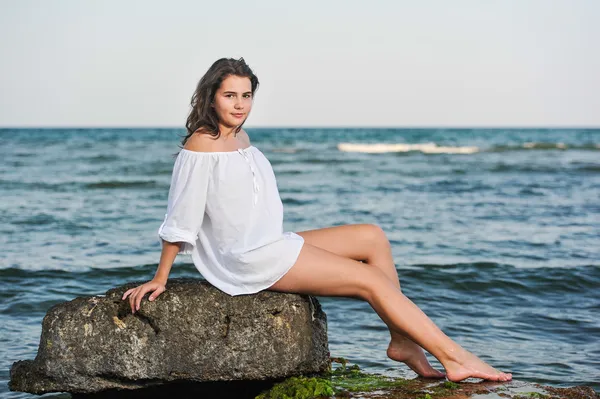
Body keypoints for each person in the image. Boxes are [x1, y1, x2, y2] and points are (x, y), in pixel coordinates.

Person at [122, 57, 512, 383]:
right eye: (230, 96)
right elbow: (182, 215)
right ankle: (455, 357)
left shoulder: (241, 137)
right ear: (211, 97)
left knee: (371, 237)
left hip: (270, 241)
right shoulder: (202, 143)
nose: (240, 104)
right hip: (246, 257)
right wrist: (161, 277)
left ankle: (403, 342)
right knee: (368, 280)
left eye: (247, 95)